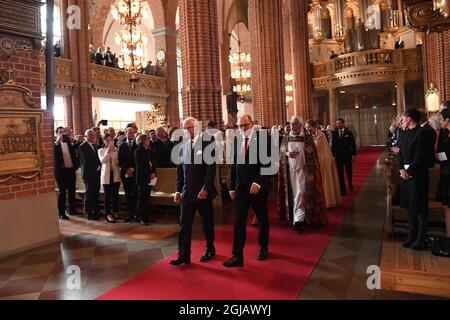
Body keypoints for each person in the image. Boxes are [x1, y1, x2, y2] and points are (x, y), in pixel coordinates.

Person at [223, 115, 271, 268]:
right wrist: (231, 186)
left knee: (262, 219)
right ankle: (237, 255)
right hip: (241, 188)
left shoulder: (263, 139)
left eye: (246, 125)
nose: (243, 128)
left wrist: (258, 181)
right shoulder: (237, 140)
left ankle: (263, 248)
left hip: (258, 187)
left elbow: (268, 164)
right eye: (240, 125)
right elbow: (234, 165)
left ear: (252, 124)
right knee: (239, 222)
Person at [170, 117, 217, 265]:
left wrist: (205, 188)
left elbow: (211, 169)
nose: (186, 130)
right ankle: (183, 255)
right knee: (184, 225)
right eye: (184, 128)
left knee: (206, 223)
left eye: (188, 127)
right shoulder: (182, 145)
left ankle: (210, 249)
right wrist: (178, 190)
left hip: (202, 192)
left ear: (196, 127)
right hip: (186, 192)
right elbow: (180, 171)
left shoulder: (207, 143)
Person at [278, 117, 328, 231]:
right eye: (291, 123)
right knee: (293, 193)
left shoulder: (307, 137)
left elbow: (313, 154)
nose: (292, 126)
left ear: (300, 125)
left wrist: (308, 152)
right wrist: (287, 153)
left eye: (294, 124)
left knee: (300, 194)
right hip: (290, 171)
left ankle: (298, 219)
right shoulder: (286, 137)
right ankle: (296, 216)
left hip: (303, 170)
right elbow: (281, 151)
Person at [398, 108, 432, 250]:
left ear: (409, 119)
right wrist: (401, 169)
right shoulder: (404, 133)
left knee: (419, 206)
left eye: (403, 118)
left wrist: (409, 171)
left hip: (418, 175)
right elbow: (400, 152)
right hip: (405, 174)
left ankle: (421, 236)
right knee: (410, 206)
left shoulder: (422, 133)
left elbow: (420, 156)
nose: (401, 121)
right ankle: (411, 235)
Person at [306, 120, 341, 209]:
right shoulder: (307, 136)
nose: (308, 129)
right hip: (311, 163)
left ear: (314, 127)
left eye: (309, 127)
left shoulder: (321, 136)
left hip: (322, 161)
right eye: (306, 128)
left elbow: (323, 151)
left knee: (324, 181)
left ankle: (326, 200)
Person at [54, 127, 79, 219]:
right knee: (62, 192)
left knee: (72, 190)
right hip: (61, 171)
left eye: (63, 132)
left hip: (70, 169)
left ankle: (72, 210)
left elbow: (79, 147)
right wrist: (57, 142)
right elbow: (53, 154)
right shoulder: (54, 144)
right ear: (56, 133)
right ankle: (61, 213)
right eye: (60, 132)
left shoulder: (69, 142)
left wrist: (75, 141)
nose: (62, 134)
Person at [134, 134, 157, 226]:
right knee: (142, 198)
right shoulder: (138, 151)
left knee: (147, 197)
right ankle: (141, 217)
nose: (149, 140)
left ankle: (146, 216)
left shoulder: (148, 150)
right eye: (147, 139)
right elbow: (141, 166)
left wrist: (154, 172)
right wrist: (149, 174)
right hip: (143, 178)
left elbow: (152, 163)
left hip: (150, 176)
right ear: (142, 140)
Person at [79, 129, 102, 220]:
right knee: (89, 193)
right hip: (88, 173)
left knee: (96, 192)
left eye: (94, 135)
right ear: (86, 136)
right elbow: (86, 160)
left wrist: (99, 165)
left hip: (96, 172)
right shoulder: (82, 146)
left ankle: (95, 210)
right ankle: (88, 212)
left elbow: (98, 158)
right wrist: (96, 166)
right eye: (91, 135)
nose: (93, 136)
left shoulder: (95, 145)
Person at [98, 133, 121, 223]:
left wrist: (114, 151)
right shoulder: (101, 150)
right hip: (106, 175)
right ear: (104, 141)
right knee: (107, 195)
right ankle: (108, 214)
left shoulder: (116, 150)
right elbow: (103, 160)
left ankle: (116, 211)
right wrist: (108, 151)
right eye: (107, 140)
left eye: (110, 140)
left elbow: (118, 161)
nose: (109, 142)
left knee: (115, 194)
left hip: (115, 174)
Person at [332, 118, 356, 196]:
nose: (338, 124)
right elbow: (333, 145)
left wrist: (353, 155)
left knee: (349, 171)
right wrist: (333, 156)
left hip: (347, 155)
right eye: (337, 123)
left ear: (343, 124)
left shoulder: (349, 133)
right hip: (339, 157)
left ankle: (350, 182)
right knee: (340, 173)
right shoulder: (334, 133)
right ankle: (342, 189)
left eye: (340, 123)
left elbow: (353, 145)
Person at [118, 126, 138, 222]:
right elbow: (120, 160)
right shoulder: (122, 146)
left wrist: (132, 169)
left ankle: (136, 214)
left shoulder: (138, 144)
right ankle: (130, 214)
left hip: (135, 173)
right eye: (129, 132)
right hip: (125, 173)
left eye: (132, 132)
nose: (131, 134)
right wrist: (127, 169)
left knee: (135, 193)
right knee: (128, 194)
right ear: (125, 133)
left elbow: (138, 159)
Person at [435, 108, 450, 238]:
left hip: (448, 173)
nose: (439, 121)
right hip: (445, 173)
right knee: (446, 207)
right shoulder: (446, 133)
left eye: (441, 119)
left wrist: (438, 157)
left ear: (447, 120)